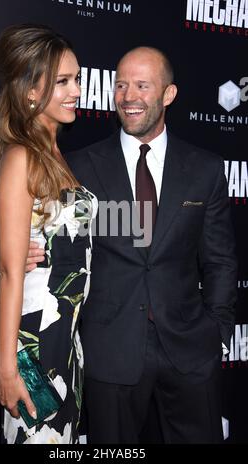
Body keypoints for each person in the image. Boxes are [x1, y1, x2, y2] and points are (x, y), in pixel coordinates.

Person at [27, 47, 237, 443]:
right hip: (110, 350)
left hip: (190, 350)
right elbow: (56, 238)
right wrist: (28, 250)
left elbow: (221, 260)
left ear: (168, 95)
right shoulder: (79, 167)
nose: (128, 96)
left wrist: (218, 332)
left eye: (142, 85)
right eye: (120, 84)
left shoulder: (205, 169)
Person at [0, 24, 97, 444]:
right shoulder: (21, 156)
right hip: (34, 342)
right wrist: (6, 368)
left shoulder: (56, 153)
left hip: (67, 342)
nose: (76, 90)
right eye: (62, 81)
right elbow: (10, 272)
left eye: (77, 79)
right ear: (30, 91)